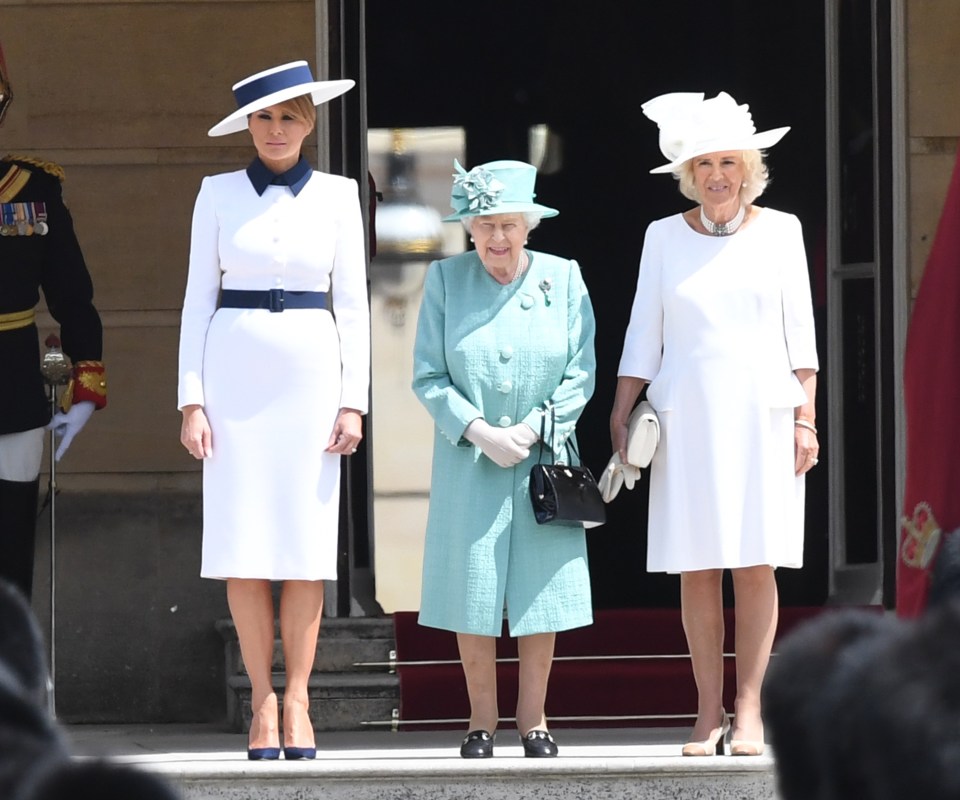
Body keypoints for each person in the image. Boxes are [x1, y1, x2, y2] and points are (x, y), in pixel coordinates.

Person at [610, 91, 819, 756]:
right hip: (687, 416)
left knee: (756, 563)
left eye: (730, 161)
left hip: (763, 414)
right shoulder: (661, 236)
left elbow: (801, 339)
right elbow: (645, 332)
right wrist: (621, 409)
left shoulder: (781, 230)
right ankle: (706, 711)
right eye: (706, 163)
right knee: (697, 567)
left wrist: (807, 421)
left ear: (750, 168)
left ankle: (750, 707)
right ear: (688, 173)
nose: (718, 174)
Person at [177, 61, 369, 760]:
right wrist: (191, 398)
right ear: (247, 126)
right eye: (264, 118)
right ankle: (261, 702)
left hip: (313, 381)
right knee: (244, 548)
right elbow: (199, 298)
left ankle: (300, 701)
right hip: (234, 380)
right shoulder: (217, 194)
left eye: (289, 116)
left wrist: (354, 401)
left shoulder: (341, 195)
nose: (277, 129)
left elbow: (352, 303)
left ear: (310, 122)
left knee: (305, 551)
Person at [412, 159, 596, 759]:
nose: (497, 238)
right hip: (471, 462)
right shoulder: (445, 280)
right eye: (485, 224)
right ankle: (480, 719)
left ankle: (535, 718)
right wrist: (477, 429)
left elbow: (582, 370)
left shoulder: (564, 278)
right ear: (468, 227)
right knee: (473, 588)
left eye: (509, 225)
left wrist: (539, 425)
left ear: (530, 225)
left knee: (541, 592)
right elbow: (429, 376)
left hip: (543, 458)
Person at [0, 41, 106, 601]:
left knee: (10, 543)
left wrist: (86, 386)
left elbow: (72, 296)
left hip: (11, 386)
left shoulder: (32, 190)